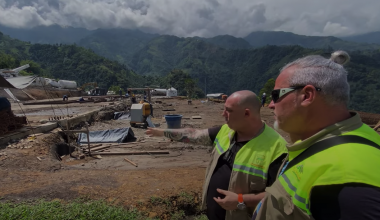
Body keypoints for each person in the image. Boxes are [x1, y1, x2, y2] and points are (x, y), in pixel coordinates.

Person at [254, 51, 380, 220]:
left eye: (276, 95)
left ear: (306, 96)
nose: (270, 105)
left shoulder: (345, 181)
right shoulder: (350, 138)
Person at [146, 90, 287, 220]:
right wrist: (162, 132)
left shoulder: (277, 149)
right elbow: (194, 134)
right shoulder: (226, 130)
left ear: (247, 113)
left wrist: (240, 200)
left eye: (228, 110)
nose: (223, 114)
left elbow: (281, 197)